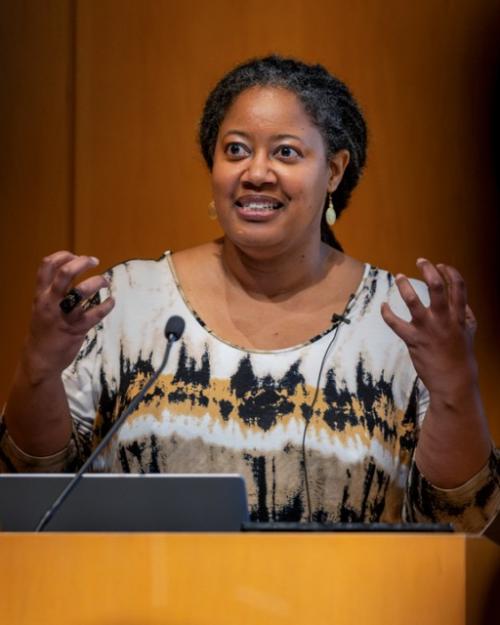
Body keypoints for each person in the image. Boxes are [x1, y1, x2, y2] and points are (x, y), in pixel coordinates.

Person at [1, 56, 498, 530]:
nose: (256, 172)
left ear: (336, 169)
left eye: (285, 151)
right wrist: (39, 367)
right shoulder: (129, 302)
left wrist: (455, 384)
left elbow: (464, 520)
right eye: (236, 149)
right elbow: (33, 485)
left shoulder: (402, 318)